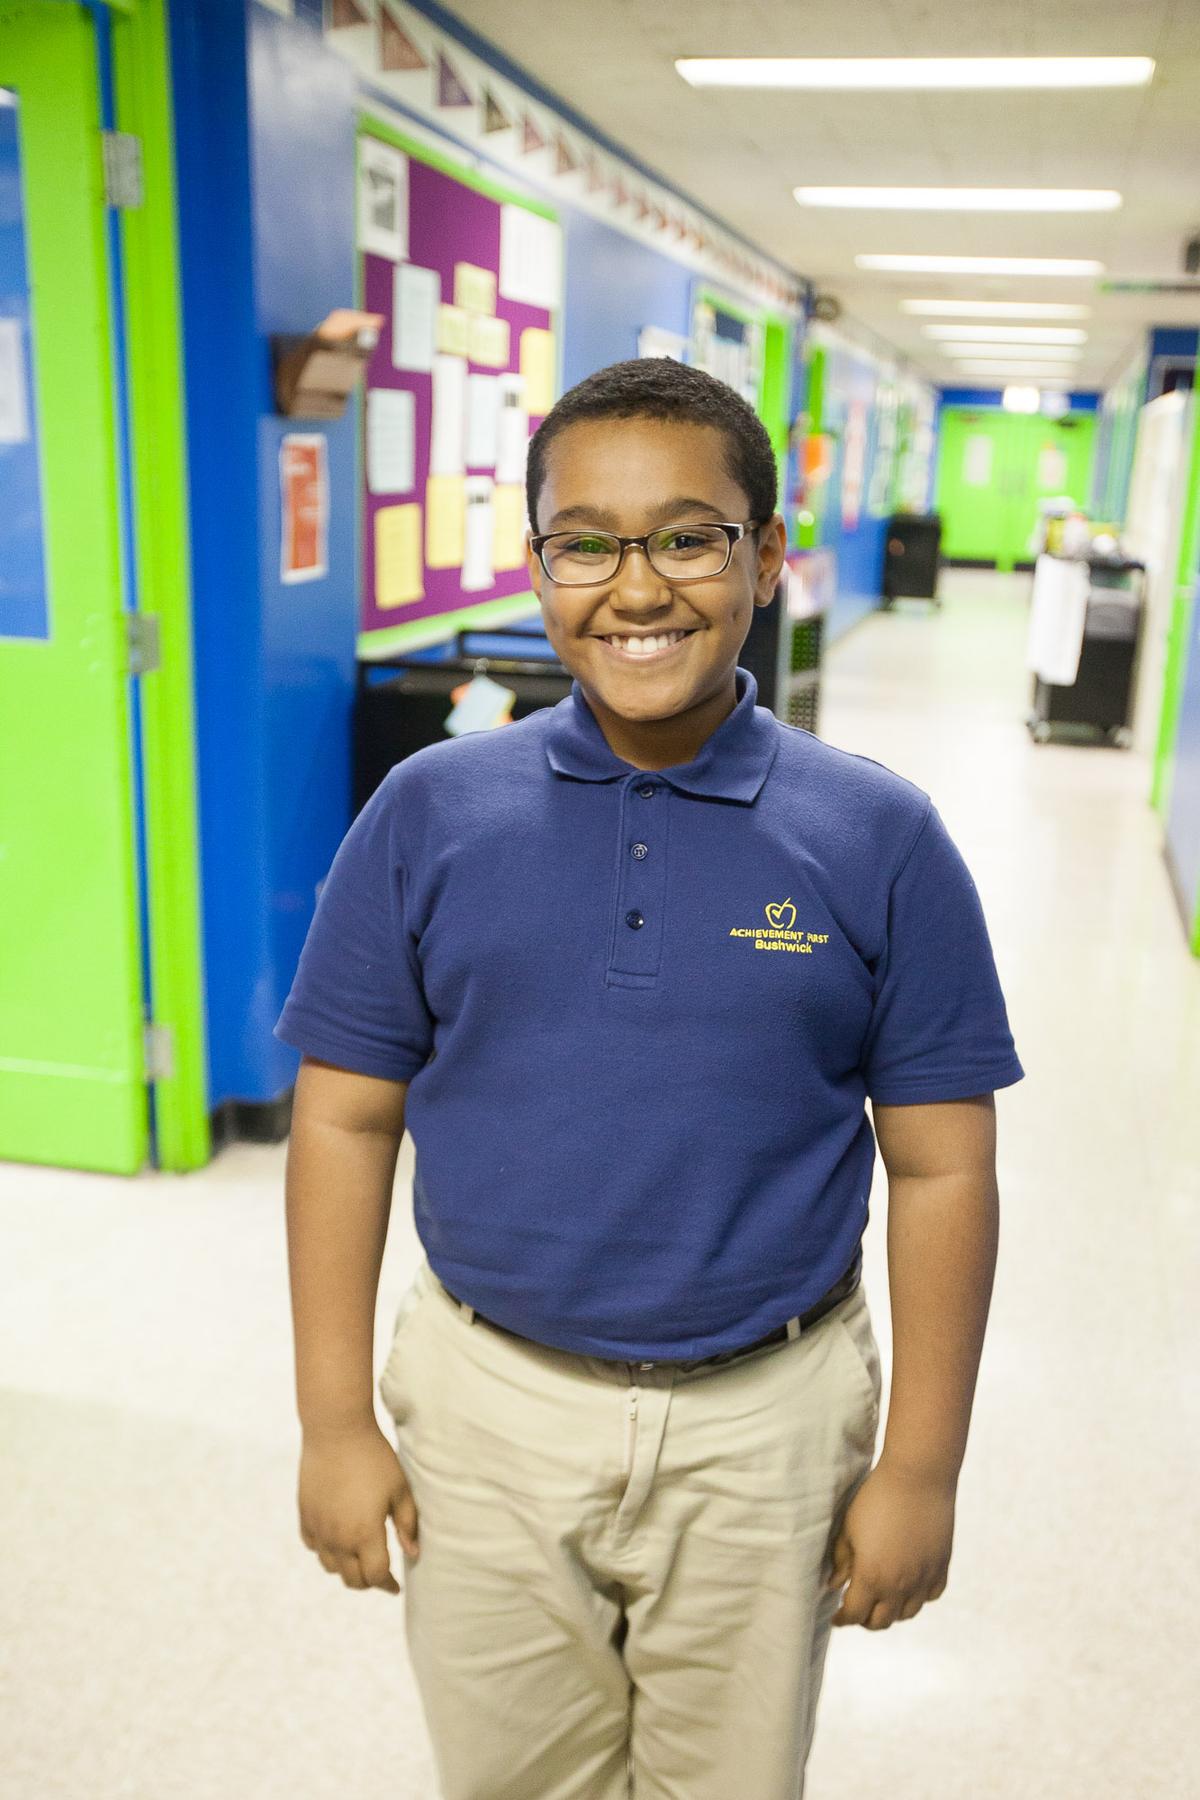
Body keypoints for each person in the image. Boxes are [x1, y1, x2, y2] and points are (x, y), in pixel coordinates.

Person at [276, 357, 1025, 1800]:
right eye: (586, 543)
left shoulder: (878, 836)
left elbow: (943, 1164)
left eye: (691, 536)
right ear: (540, 560)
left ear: (766, 556)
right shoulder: (430, 811)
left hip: (770, 1419)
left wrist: (922, 1466)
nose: (638, 588)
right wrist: (330, 1419)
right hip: (487, 1406)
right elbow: (346, 1114)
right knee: (510, 1777)